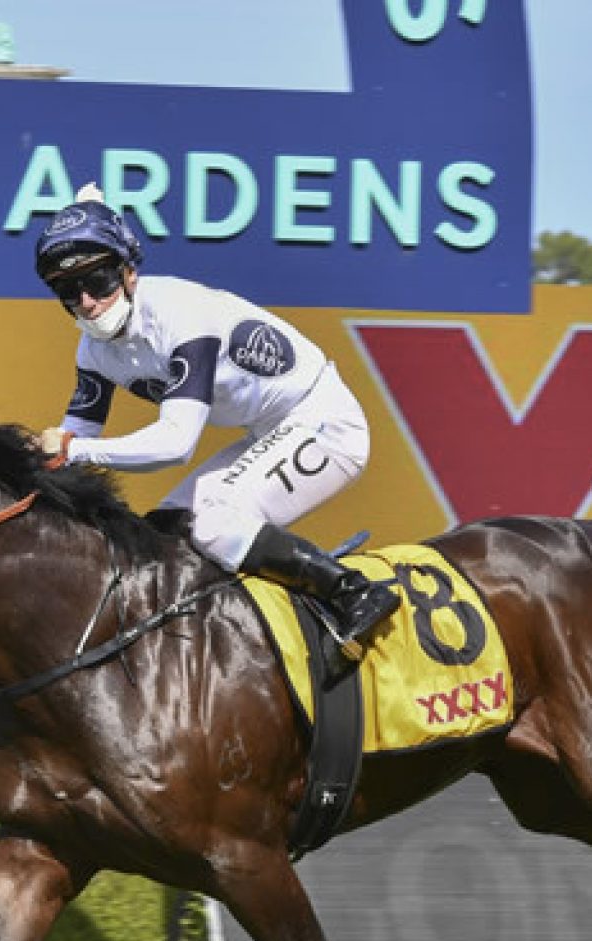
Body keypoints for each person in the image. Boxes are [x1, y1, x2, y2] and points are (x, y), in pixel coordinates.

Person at [32, 186, 399, 660]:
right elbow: (72, 440)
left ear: (129, 271)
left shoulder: (179, 313)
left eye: (98, 281)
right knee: (163, 532)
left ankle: (352, 592)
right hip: (271, 430)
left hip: (326, 421)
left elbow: (175, 443)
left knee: (217, 524)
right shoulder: (94, 352)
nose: (86, 301)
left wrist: (73, 451)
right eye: (67, 291)